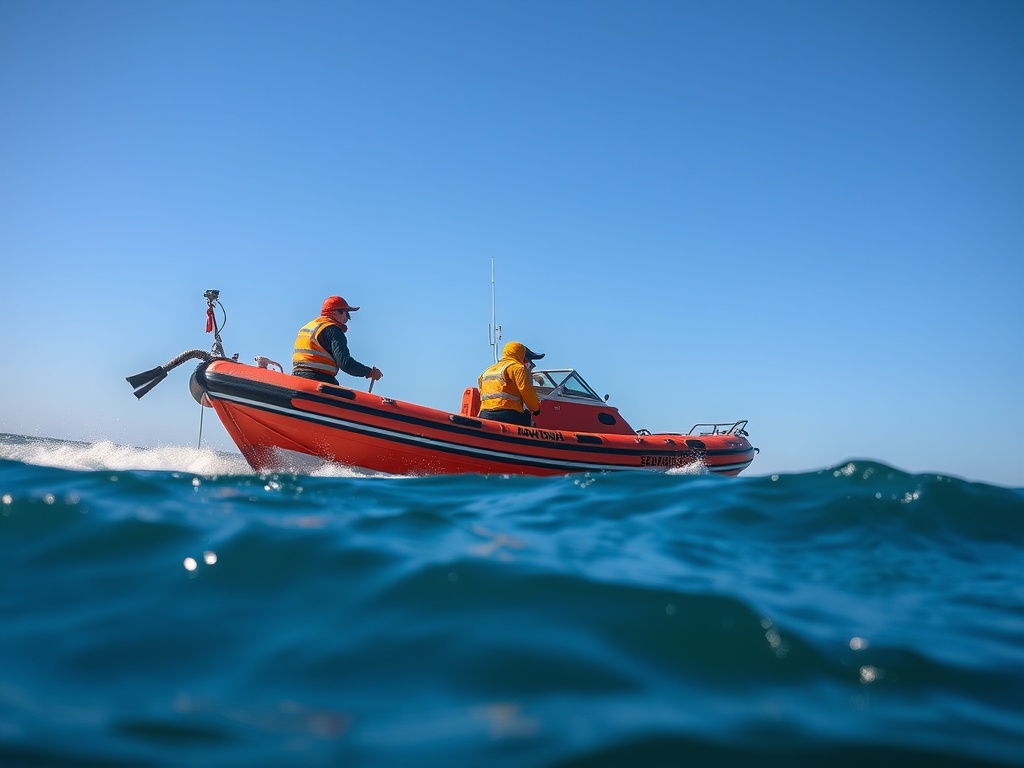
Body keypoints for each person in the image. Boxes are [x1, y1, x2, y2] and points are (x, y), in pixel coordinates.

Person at [292, 296, 383, 386]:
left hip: (297, 378)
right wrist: (369, 372)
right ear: (335, 312)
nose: (347, 319)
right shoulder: (333, 331)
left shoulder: (309, 326)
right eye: (347, 314)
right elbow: (345, 363)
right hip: (318, 379)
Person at [477, 341, 544, 426]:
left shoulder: (487, 371)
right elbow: (525, 390)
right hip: (508, 414)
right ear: (521, 354)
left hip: (485, 414)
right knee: (527, 417)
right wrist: (536, 408)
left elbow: (481, 391)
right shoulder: (517, 368)